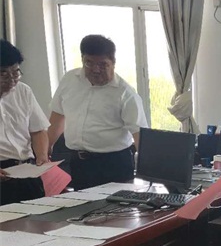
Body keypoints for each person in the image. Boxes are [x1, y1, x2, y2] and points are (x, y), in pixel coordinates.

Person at [47, 34, 148, 190]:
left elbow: (139, 134)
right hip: (78, 162)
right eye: (89, 63)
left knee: (116, 205)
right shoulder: (69, 80)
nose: (95, 70)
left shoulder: (125, 93)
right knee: (82, 204)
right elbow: (58, 116)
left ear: (113, 62)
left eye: (102, 64)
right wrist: (45, 150)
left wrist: (150, 172)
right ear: (82, 59)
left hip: (114, 164)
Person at [0, 39, 50, 205]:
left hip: (27, 173)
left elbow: (38, 130)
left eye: (15, 72)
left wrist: (42, 157)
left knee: (39, 218)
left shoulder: (23, 91)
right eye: (3, 73)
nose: (11, 79)